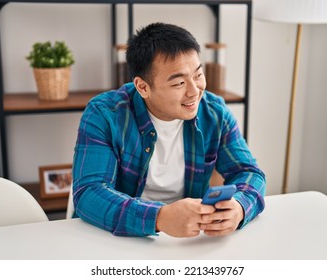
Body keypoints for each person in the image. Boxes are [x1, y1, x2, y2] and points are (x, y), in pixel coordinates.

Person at [72, 22, 266, 238]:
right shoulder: (105, 114)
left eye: (198, 75)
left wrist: (239, 207)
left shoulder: (215, 113)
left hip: (190, 239)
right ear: (143, 87)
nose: (194, 92)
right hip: (119, 237)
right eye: (179, 83)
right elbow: (89, 193)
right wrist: (159, 218)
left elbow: (248, 172)